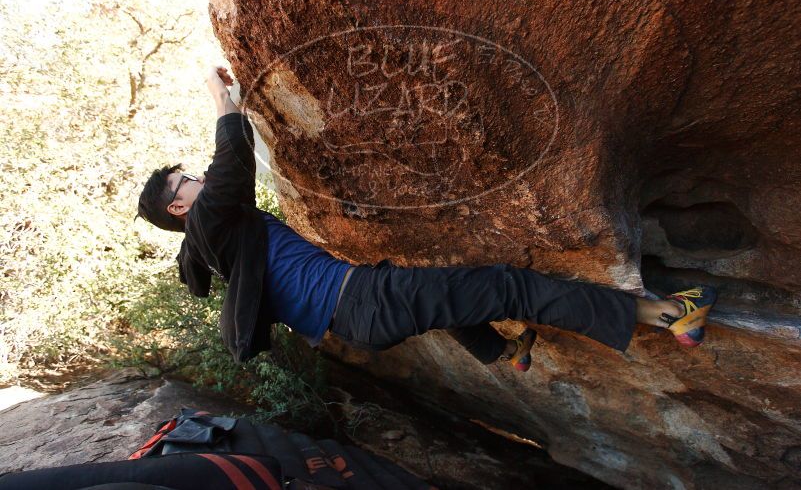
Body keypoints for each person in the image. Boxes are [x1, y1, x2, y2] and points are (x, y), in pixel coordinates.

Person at [136, 66, 717, 372]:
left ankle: (502, 353)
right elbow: (232, 164)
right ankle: (670, 314)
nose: (199, 179)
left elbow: (228, 180)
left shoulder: (212, 243)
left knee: (440, 296)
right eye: (185, 181)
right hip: (364, 301)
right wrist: (220, 98)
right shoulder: (210, 226)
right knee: (511, 287)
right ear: (179, 207)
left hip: (360, 319)